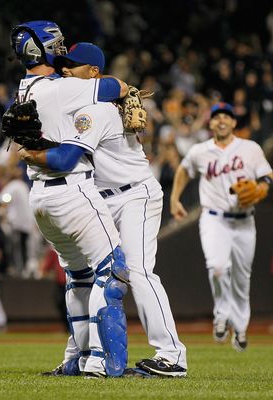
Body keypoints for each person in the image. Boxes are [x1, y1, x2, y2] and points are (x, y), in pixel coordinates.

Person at [19, 42, 187, 377]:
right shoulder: (80, 101)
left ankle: (172, 356)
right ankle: (78, 356)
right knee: (84, 276)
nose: (65, 69)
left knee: (136, 271)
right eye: (63, 64)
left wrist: (32, 154)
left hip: (134, 194)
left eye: (73, 65)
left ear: (94, 72)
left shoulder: (94, 109)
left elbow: (65, 159)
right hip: (101, 196)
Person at [8, 20, 133, 378]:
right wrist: (125, 87)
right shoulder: (62, 89)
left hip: (41, 198)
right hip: (72, 189)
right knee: (112, 272)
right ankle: (99, 361)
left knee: (77, 278)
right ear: (46, 48)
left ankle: (75, 361)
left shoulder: (21, 91)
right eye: (57, 44)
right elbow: (114, 86)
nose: (62, 50)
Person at [170, 102, 273, 352]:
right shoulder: (200, 151)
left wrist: (262, 187)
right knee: (217, 267)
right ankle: (221, 314)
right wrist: (174, 198)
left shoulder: (250, 148)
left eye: (227, 116)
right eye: (217, 117)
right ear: (211, 123)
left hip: (245, 220)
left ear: (234, 122)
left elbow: (267, 175)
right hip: (214, 218)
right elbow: (184, 170)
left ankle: (240, 327)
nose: (222, 121)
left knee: (241, 277)